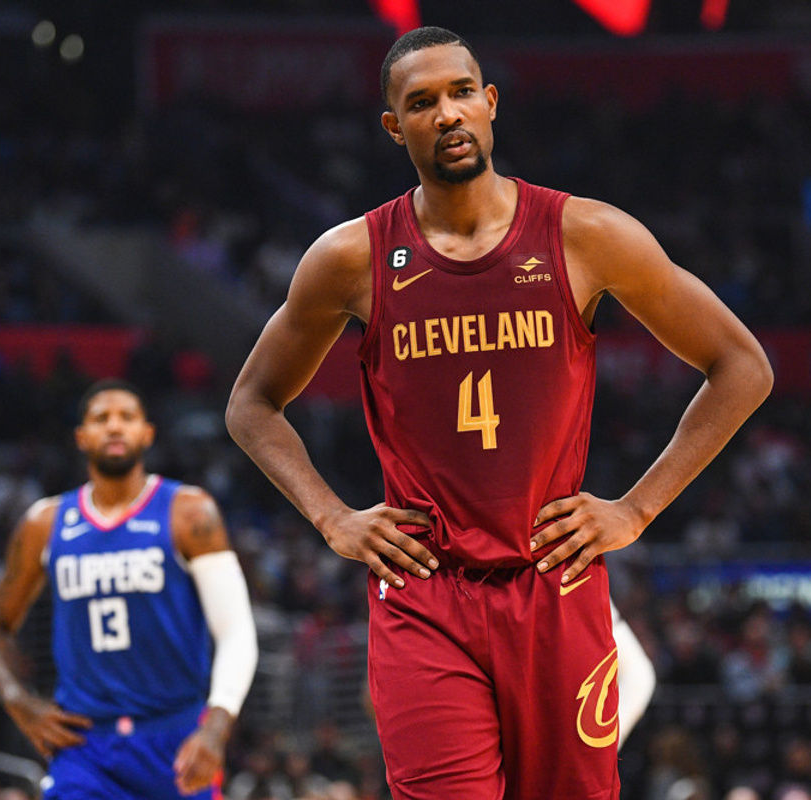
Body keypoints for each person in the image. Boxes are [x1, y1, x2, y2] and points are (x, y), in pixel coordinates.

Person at [225, 25, 772, 800]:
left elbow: (742, 366)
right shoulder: (352, 257)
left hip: (555, 582)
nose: (446, 114)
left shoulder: (584, 234)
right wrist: (331, 519)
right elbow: (251, 403)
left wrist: (638, 509)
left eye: (459, 93)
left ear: (489, 103)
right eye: (421, 103)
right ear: (394, 127)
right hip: (425, 592)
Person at [0, 379, 258, 799]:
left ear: (147, 433)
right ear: (81, 437)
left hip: (177, 738)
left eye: (126, 417)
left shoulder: (189, 512)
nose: (114, 427)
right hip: (84, 744)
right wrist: (20, 701)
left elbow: (236, 631)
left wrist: (216, 728)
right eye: (100, 418)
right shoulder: (44, 523)